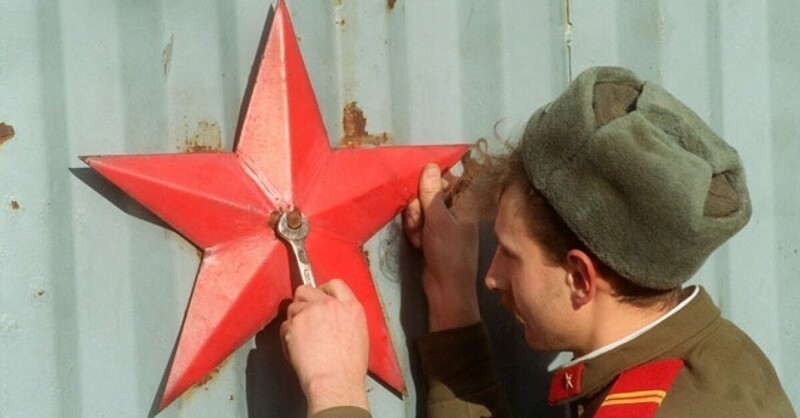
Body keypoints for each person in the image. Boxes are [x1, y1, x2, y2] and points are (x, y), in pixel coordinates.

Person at [279, 67, 796, 417]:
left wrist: (335, 391)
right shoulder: (717, 360)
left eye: (510, 254)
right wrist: (451, 294)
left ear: (580, 278)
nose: (491, 276)